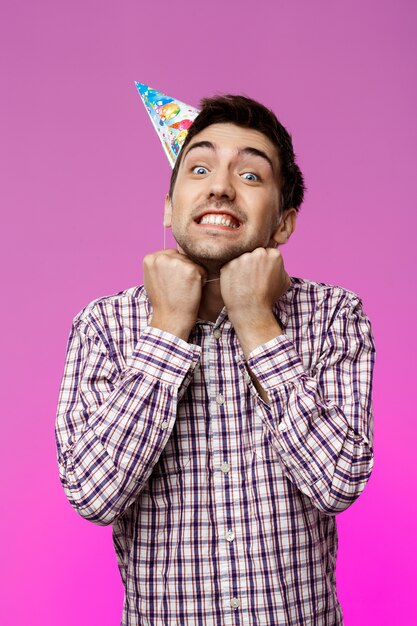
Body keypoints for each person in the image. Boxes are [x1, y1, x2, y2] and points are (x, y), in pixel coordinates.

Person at [55, 94, 375, 626]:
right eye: (199, 168)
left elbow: (338, 481)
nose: (221, 186)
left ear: (284, 224)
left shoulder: (334, 315)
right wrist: (167, 331)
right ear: (169, 205)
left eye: (251, 176)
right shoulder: (105, 326)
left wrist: (256, 321)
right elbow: (93, 494)